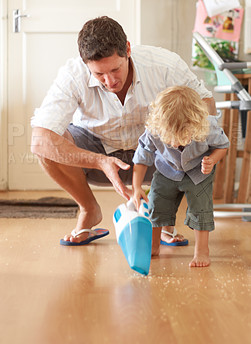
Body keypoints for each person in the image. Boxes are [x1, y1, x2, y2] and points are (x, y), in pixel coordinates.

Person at [30, 16, 217, 246]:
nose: (109, 81)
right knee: (45, 147)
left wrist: (184, 139)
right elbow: (40, 139)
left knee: (200, 136)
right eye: (99, 74)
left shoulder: (164, 65)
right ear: (85, 62)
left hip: (155, 154)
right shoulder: (72, 75)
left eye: (115, 69)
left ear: (127, 49)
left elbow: (206, 102)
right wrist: (99, 161)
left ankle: (165, 217)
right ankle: (89, 209)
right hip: (97, 150)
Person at [132, 86, 229, 267]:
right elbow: (142, 156)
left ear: (196, 124)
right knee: (156, 205)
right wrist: (137, 187)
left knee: (201, 209)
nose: (175, 143)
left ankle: (201, 251)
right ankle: (152, 246)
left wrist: (212, 159)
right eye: (170, 138)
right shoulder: (155, 129)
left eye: (182, 136)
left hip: (198, 173)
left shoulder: (208, 127)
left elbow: (223, 146)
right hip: (166, 171)